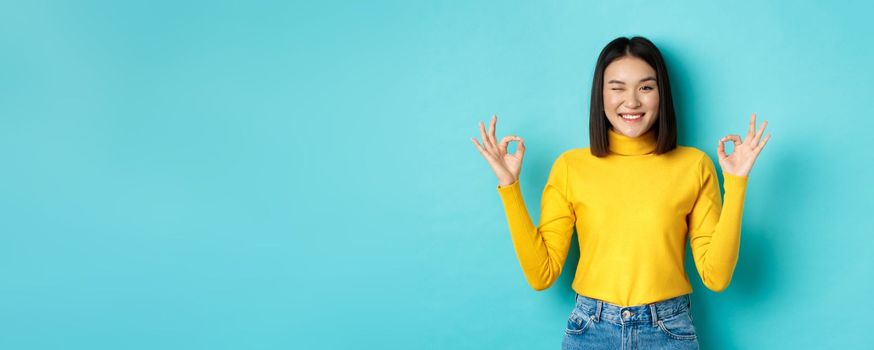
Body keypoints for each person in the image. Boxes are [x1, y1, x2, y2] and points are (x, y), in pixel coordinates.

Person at [469, 36, 770, 350]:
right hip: (591, 329)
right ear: (600, 95)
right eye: (617, 87)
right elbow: (541, 274)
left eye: (645, 87)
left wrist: (735, 183)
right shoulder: (571, 167)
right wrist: (509, 186)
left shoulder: (694, 165)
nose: (632, 102)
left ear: (661, 94)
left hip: (668, 330)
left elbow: (716, 277)